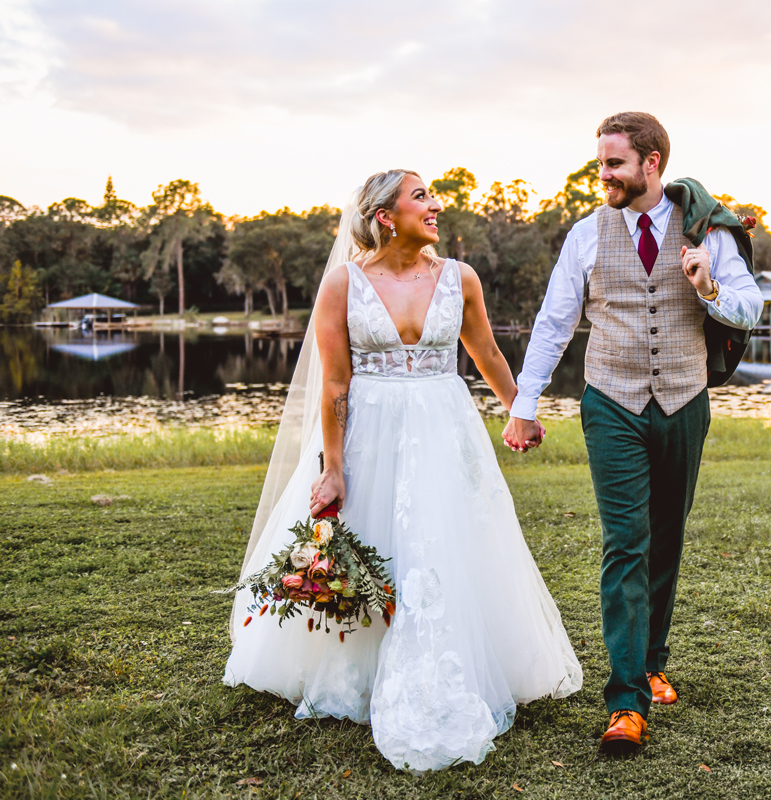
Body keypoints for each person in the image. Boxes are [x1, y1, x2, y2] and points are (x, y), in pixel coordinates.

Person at [224, 169, 582, 773]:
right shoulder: (343, 285)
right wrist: (332, 469)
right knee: (377, 541)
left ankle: (457, 661)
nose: (435, 206)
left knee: (449, 542)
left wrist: (519, 410)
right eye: (421, 197)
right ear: (385, 215)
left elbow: (487, 352)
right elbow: (335, 383)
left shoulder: (459, 277)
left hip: (446, 427)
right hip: (373, 432)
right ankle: (359, 667)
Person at [502, 112, 763, 753]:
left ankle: (651, 661)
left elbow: (750, 305)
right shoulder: (585, 236)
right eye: (600, 163)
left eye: (614, 163)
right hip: (610, 404)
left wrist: (707, 288)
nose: (604, 174)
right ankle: (626, 702)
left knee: (665, 539)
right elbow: (554, 322)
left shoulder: (707, 232)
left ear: (651, 164)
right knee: (626, 542)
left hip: (684, 401)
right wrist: (524, 403)